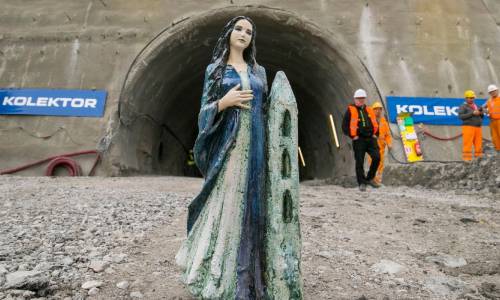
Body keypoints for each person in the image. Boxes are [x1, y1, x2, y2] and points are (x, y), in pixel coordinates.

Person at [175, 16, 272, 299]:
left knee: (251, 204)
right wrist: (222, 103)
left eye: (249, 32)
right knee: (227, 200)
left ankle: (247, 274)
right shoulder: (215, 70)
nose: (243, 34)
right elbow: (203, 110)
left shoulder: (259, 71)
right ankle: (218, 266)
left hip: (254, 145)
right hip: (227, 145)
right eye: (239, 29)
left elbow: (266, 110)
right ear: (228, 33)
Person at [342, 89, 380, 191]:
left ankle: (370, 178)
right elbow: (344, 126)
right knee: (359, 161)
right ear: (355, 99)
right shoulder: (350, 110)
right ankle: (362, 183)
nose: (361, 100)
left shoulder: (369, 109)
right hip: (359, 140)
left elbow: (375, 122)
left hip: (371, 138)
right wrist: (352, 136)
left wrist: (376, 134)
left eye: (362, 98)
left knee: (377, 157)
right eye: (359, 99)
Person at [458, 90, 484, 161]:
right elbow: (461, 117)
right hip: (468, 127)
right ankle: (467, 159)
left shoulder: (476, 106)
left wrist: (481, 113)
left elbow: (482, 116)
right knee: (468, 143)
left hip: (478, 127)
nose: (472, 99)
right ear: (466, 98)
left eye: (473, 97)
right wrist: (472, 113)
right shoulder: (463, 106)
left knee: (478, 144)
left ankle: (479, 158)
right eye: (470, 98)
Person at [371, 102, 392, 184]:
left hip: (381, 147)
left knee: (381, 163)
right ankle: (373, 179)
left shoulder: (384, 122)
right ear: (373, 110)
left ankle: (378, 180)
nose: (378, 111)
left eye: (380, 109)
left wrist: (389, 143)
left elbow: (388, 135)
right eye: (376, 109)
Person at [486, 84, 500, 152]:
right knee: (495, 136)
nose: (493, 92)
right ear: (489, 93)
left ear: (497, 90)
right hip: (493, 121)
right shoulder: (489, 101)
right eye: (491, 92)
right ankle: (498, 149)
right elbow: (488, 110)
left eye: (494, 91)